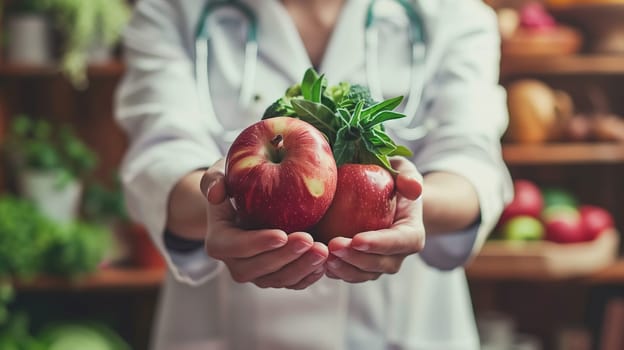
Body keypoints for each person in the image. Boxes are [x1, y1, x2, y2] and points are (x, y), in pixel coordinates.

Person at [115, 0, 513, 349]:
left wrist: (404, 201)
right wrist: (221, 200)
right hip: (231, 327)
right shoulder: (172, 9)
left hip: (399, 325)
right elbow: (159, 160)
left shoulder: (451, 11)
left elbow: (472, 164)